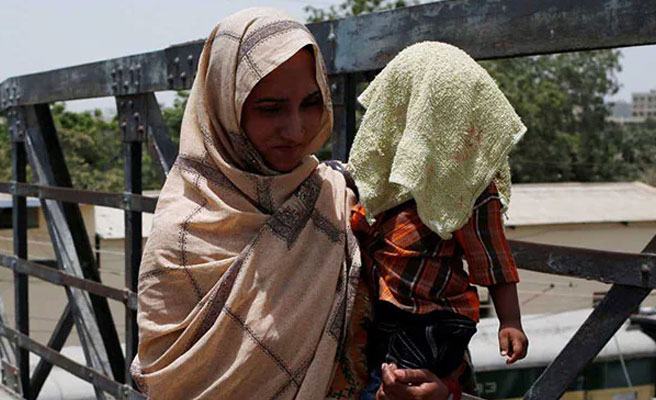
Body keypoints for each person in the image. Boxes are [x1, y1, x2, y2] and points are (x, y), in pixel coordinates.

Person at [132, 8, 450, 400]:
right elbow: (170, 380)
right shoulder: (180, 238)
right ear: (225, 107)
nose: (297, 129)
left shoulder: (337, 196)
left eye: (311, 103)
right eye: (270, 109)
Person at [346, 42, 530, 400]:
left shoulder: (469, 187)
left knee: (398, 386)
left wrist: (511, 322)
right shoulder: (380, 174)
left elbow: (493, 260)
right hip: (382, 312)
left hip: (432, 321)